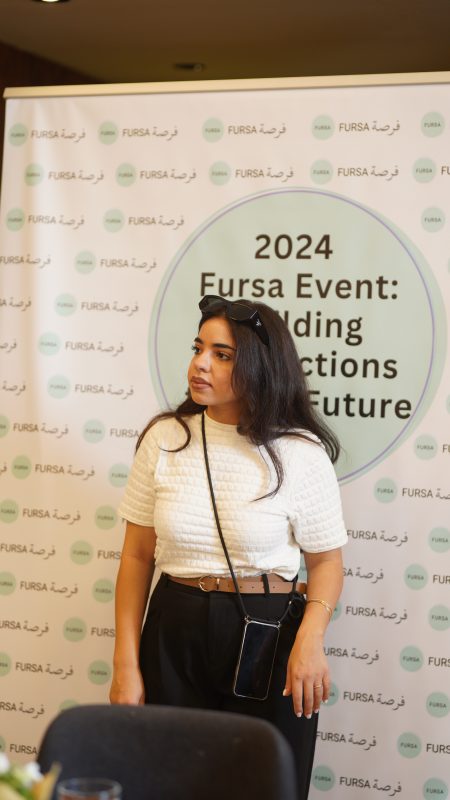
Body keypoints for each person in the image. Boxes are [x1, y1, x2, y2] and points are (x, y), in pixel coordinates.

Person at [110, 295, 347, 799]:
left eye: (222, 355)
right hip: (175, 627)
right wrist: (125, 665)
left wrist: (310, 639)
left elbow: (327, 562)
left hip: (270, 633)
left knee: (265, 784)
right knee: (167, 782)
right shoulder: (164, 438)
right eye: (198, 348)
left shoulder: (300, 452)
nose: (200, 363)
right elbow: (136, 557)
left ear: (260, 366)